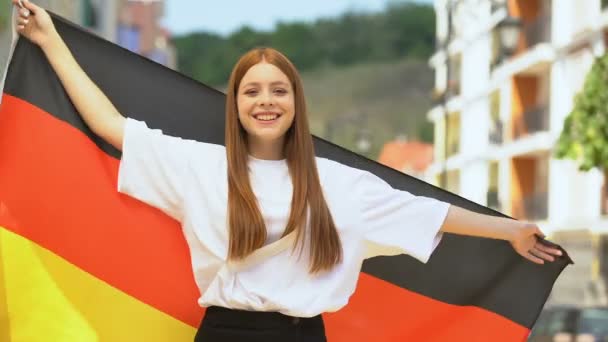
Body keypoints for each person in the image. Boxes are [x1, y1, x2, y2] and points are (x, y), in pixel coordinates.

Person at [11, 1, 563, 341]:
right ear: (237, 105)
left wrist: (510, 229)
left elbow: (429, 213)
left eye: (279, 90)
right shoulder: (201, 166)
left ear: (296, 102)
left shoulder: (337, 183)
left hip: (306, 337)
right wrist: (50, 40)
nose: (266, 100)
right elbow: (111, 126)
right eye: (252, 91)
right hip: (229, 333)